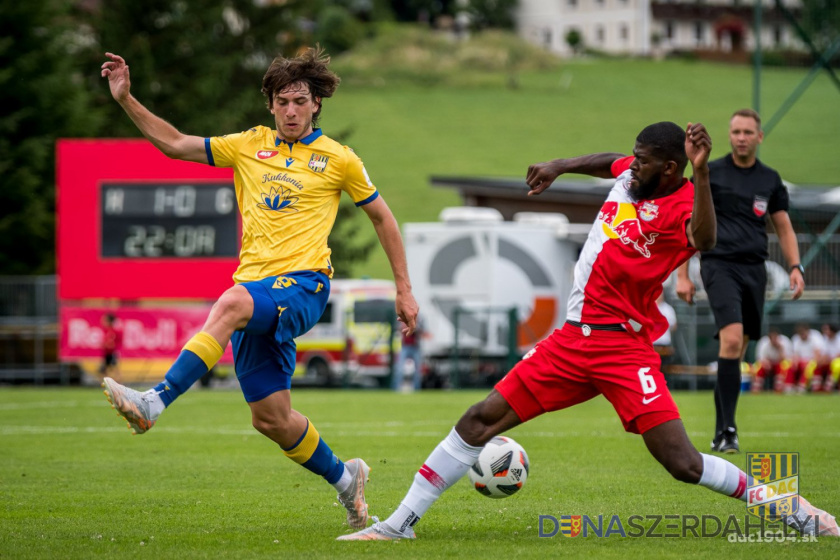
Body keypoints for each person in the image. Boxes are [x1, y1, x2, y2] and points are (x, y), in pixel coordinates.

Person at [337, 121, 838, 541]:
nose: (632, 164)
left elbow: (705, 237)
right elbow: (608, 160)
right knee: (477, 420)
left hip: (624, 349)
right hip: (572, 340)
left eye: (643, 160)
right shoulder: (632, 176)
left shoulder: (684, 204)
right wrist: (560, 166)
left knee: (682, 463)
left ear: (670, 168)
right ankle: (399, 524)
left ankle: (791, 506)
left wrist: (703, 171)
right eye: (634, 157)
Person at [98, 48, 419, 529]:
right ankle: (346, 479)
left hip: (305, 287)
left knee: (230, 301)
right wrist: (126, 98)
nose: (291, 110)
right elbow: (176, 143)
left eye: (300, 101)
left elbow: (382, 217)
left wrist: (404, 289)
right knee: (271, 419)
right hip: (257, 294)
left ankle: (154, 402)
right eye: (282, 101)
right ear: (270, 105)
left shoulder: (339, 159)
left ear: (315, 106)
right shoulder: (247, 145)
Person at [676, 109, 805, 454]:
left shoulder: (770, 179)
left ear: (759, 137)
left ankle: (722, 430)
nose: (742, 137)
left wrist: (795, 266)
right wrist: (682, 275)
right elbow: (689, 224)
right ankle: (728, 430)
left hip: (754, 269)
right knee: (732, 341)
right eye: (736, 131)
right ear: (729, 136)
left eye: (749, 131)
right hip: (718, 265)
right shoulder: (710, 172)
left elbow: (783, 226)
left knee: (735, 349)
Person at [751, 327, 793, 393]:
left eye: (775, 337)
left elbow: (786, 359)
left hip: (779, 364)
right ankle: (756, 389)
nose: (774, 340)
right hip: (767, 365)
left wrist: (780, 349)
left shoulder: (785, 342)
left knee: (785, 366)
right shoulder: (763, 342)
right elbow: (760, 359)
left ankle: (779, 389)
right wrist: (766, 363)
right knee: (758, 367)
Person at [789, 323, 826, 394]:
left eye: (803, 333)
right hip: (801, 361)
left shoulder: (815, 336)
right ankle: (789, 386)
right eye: (800, 334)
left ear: (807, 331)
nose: (802, 336)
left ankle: (802, 386)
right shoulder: (796, 338)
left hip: (813, 361)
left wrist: (809, 362)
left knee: (809, 366)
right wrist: (795, 363)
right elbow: (795, 354)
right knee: (788, 365)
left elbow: (818, 354)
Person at [392, 314, 425, 391]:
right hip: (405, 346)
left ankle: (417, 389)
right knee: (399, 369)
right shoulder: (403, 320)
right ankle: (395, 388)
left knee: (417, 371)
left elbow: (420, 331)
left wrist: (413, 326)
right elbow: (401, 329)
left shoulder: (418, 321)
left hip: (415, 347)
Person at [99, 313, 122, 380]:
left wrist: (111, 346)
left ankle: (118, 383)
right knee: (104, 369)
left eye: (105, 320)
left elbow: (117, 342)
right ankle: (106, 383)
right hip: (106, 353)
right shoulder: (106, 330)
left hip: (112, 352)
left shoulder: (114, 331)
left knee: (114, 368)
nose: (104, 322)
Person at [819, 323, 840, 392]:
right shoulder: (825, 338)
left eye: (826, 330)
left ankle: (829, 386)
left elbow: (838, 354)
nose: (825, 332)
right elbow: (824, 353)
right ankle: (816, 387)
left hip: (836, 361)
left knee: (836, 364)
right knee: (816, 365)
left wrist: (830, 360)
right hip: (830, 361)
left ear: (832, 330)